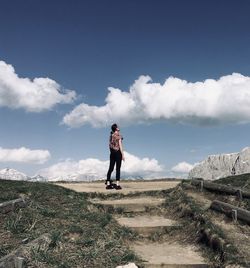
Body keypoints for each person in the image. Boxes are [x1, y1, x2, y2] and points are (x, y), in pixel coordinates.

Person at [106, 123, 125, 190]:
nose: (119, 127)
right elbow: (120, 146)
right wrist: (122, 155)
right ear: (116, 128)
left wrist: (112, 151)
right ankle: (117, 185)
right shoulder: (119, 136)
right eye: (118, 127)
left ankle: (108, 184)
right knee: (118, 169)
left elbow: (109, 145)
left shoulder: (111, 135)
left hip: (112, 153)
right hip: (118, 153)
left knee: (110, 168)